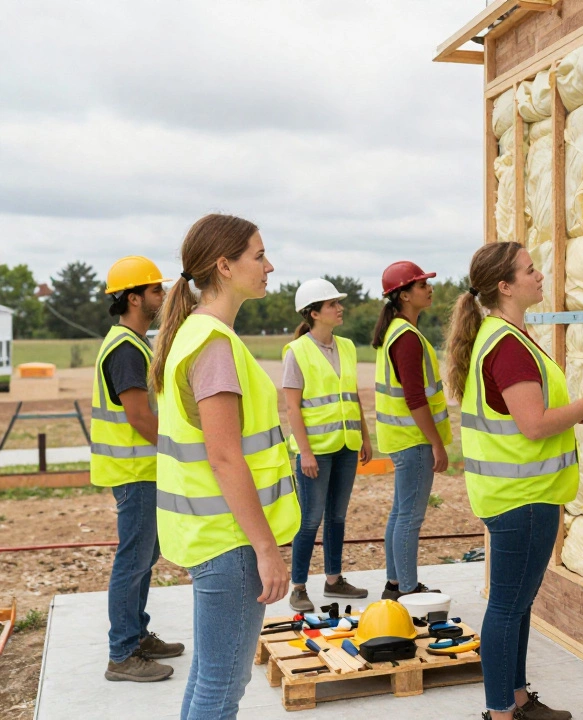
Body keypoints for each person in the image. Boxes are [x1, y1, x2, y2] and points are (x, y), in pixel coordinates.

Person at [445, 241, 583, 720]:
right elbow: (534, 424)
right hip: (522, 499)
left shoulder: (504, 336)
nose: (539, 275)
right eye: (529, 270)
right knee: (506, 607)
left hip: (515, 495)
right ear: (504, 286)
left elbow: (531, 416)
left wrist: (578, 413)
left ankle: (518, 699)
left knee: (517, 604)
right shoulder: (507, 346)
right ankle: (502, 711)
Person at [150, 214, 301, 720]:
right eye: (258, 256)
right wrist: (266, 549)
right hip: (231, 543)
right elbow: (223, 456)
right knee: (220, 690)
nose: (269, 266)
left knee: (207, 680)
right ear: (224, 265)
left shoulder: (194, 335)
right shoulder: (214, 346)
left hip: (212, 536)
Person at [93, 256, 185, 683]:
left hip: (142, 472)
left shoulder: (135, 342)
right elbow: (139, 417)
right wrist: (176, 453)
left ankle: (137, 635)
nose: (162, 297)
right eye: (155, 291)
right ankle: (122, 654)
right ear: (133, 298)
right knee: (133, 561)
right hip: (137, 474)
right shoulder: (127, 349)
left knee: (144, 558)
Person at [282, 278, 373, 612]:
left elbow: (353, 396)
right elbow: (292, 408)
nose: (340, 308)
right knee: (309, 520)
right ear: (314, 313)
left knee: (337, 517)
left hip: (347, 445)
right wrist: (305, 452)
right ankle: (299, 587)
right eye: (333, 304)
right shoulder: (297, 352)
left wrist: (364, 436)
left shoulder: (346, 347)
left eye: (338, 303)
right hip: (315, 452)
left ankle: (334, 581)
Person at [372, 261, 451, 600]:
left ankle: (395, 584)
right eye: (421, 285)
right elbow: (415, 398)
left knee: (400, 512)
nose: (429, 288)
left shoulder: (398, 331)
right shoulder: (406, 338)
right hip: (414, 440)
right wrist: (437, 444)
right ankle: (406, 589)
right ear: (404, 295)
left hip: (401, 439)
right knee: (410, 518)